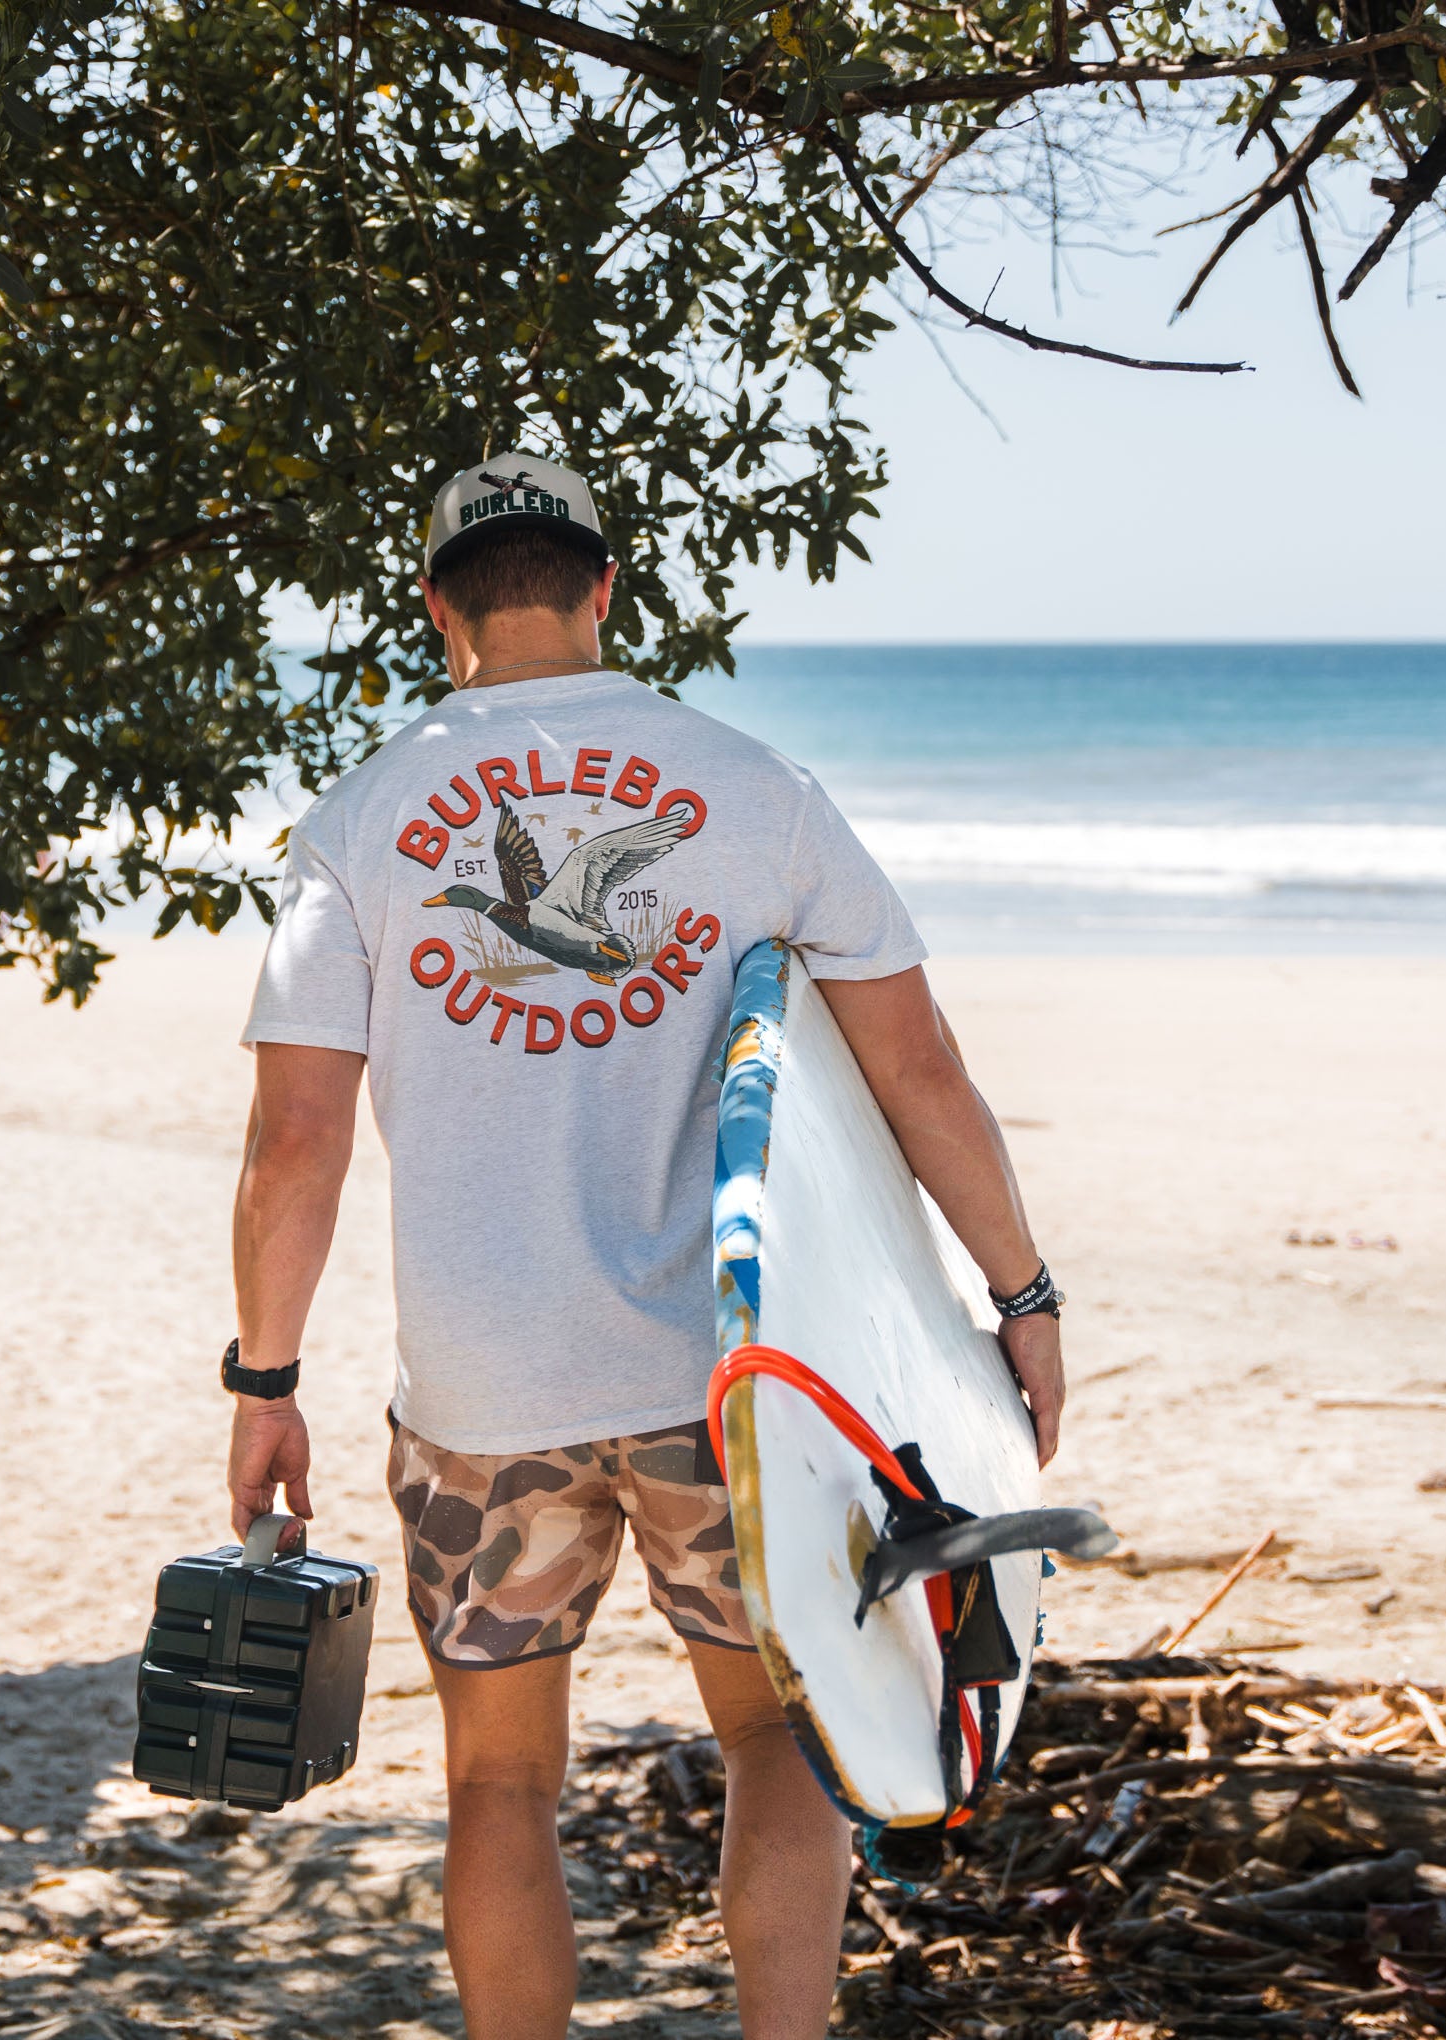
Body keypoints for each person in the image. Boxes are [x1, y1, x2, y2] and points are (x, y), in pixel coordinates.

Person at [222, 454, 1065, 2040]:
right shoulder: (758, 789)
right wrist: (1020, 1292)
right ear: (606, 588)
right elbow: (917, 1070)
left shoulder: (360, 819)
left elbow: (294, 1148)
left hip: (478, 1394)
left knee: (498, 1781)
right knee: (777, 1743)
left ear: (437, 606)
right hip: (728, 1383)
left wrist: (265, 1382)